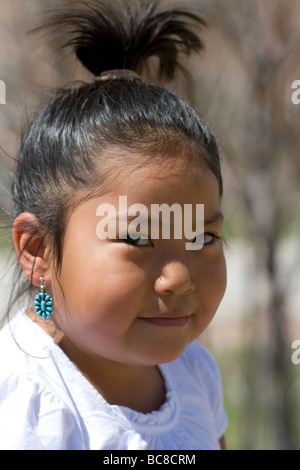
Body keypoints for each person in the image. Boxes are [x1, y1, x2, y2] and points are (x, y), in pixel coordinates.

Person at [0, 0, 227, 450]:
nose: (178, 278)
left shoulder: (193, 371)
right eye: (138, 237)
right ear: (38, 252)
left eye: (202, 236)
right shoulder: (27, 401)